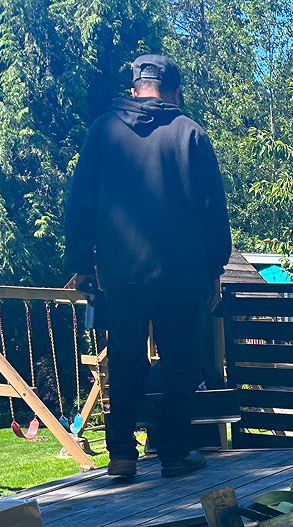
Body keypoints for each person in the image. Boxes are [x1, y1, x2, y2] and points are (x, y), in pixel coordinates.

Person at [64, 55, 232, 483]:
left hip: (121, 274)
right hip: (181, 275)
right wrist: (215, 268)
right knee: (180, 363)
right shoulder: (190, 134)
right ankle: (173, 453)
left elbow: (80, 201)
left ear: (135, 89)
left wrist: (82, 263)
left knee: (124, 361)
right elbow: (213, 210)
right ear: (176, 92)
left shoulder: (102, 131)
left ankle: (122, 456)